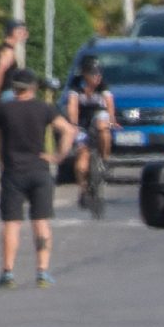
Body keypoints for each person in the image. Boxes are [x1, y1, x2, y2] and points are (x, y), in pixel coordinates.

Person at [0, 69, 75, 287]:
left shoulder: (2, 109)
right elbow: (68, 130)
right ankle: (42, 271)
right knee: (41, 221)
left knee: (11, 224)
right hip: (39, 170)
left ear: (14, 88)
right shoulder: (44, 108)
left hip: (13, 171)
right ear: (33, 88)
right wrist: (58, 156)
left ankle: (8, 272)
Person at [63, 56, 114, 212]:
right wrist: (74, 125)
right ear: (84, 74)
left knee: (103, 127)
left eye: (99, 73)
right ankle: (83, 189)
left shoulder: (103, 85)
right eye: (93, 74)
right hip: (82, 122)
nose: (97, 77)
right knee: (81, 161)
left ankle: (105, 160)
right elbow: (72, 107)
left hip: (98, 117)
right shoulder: (76, 85)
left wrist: (111, 120)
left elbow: (109, 104)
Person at [0, 20, 30, 104]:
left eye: (24, 30)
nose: (23, 33)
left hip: (7, 93)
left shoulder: (7, 49)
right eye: (19, 30)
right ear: (11, 31)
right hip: (7, 94)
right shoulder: (8, 52)